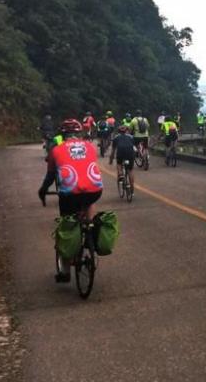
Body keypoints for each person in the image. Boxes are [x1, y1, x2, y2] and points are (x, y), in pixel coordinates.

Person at [38, 119, 103, 282]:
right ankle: (90, 229)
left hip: (69, 194)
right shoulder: (90, 147)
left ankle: (65, 271)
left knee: (65, 227)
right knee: (88, 201)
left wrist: (43, 190)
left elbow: (51, 176)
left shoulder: (56, 149)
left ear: (62, 134)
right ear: (79, 133)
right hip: (95, 190)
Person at [108, 124, 136, 192]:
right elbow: (134, 148)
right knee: (130, 170)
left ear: (118, 131)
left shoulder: (116, 138)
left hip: (121, 152)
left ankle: (120, 174)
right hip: (130, 153)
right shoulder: (131, 137)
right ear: (127, 130)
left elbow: (113, 151)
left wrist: (111, 160)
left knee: (119, 163)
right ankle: (132, 187)